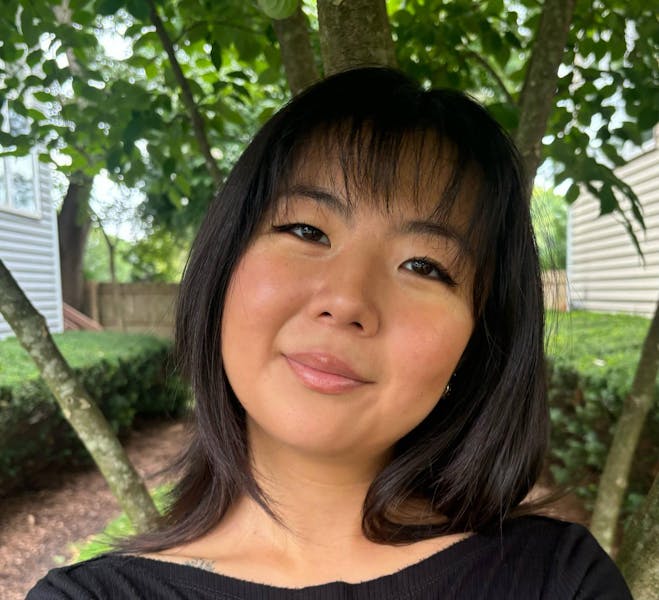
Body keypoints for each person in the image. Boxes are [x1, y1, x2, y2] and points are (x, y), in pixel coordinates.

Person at [27, 67, 632, 599]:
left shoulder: (559, 582)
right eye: (307, 231)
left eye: (425, 266)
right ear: (224, 265)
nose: (346, 301)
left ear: (478, 344)